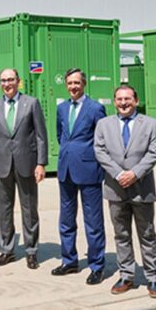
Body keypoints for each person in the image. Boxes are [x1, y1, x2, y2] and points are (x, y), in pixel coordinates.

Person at [94, 84, 156, 298]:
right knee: (121, 234)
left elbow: (153, 154)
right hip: (115, 188)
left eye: (127, 99)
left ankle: (153, 277)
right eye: (119, 99)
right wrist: (118, 174)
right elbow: (99, 150)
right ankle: (126, 275)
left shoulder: (152, 124)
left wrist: (134, 173)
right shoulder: (104, 124)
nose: (123, 103)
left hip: (141, 188)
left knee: (147, 233)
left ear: (136, 100)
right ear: (114, 102)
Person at [0, 68, 48, 269]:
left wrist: (40, 163)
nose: (7, 84)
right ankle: (7, 250)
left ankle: (31, 251)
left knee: (29, 209)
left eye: (10, 79)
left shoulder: (31, 103)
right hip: (2, 164)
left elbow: (41, 136)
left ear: (18, 81)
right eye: (3, 80)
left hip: (26, 164)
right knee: (4, 210)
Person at [52, 68, 107, 285]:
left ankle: (96, 265)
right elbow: (60, 134)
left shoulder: (95, 108)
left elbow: (100, 139)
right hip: (66, 169)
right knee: (66, 219)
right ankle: (70, 261)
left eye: (77, 83)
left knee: (93, 221)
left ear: (83, 84)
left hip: (89, 170)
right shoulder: (61, 108)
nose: (73, 87)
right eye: (70, 83)